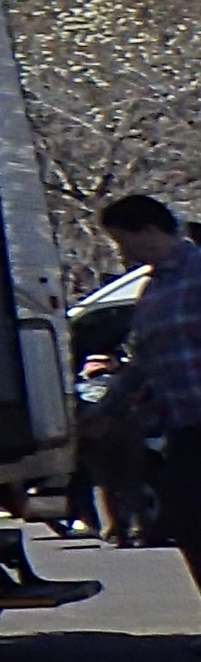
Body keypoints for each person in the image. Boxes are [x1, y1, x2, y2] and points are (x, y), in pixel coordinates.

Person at [93, 195, 201, 556]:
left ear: (151, 231)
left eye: (125, 240)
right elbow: (141, 362)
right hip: (184, 429)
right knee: (187, 526)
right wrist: (105, 410)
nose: (125, 252)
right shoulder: (152, 293)